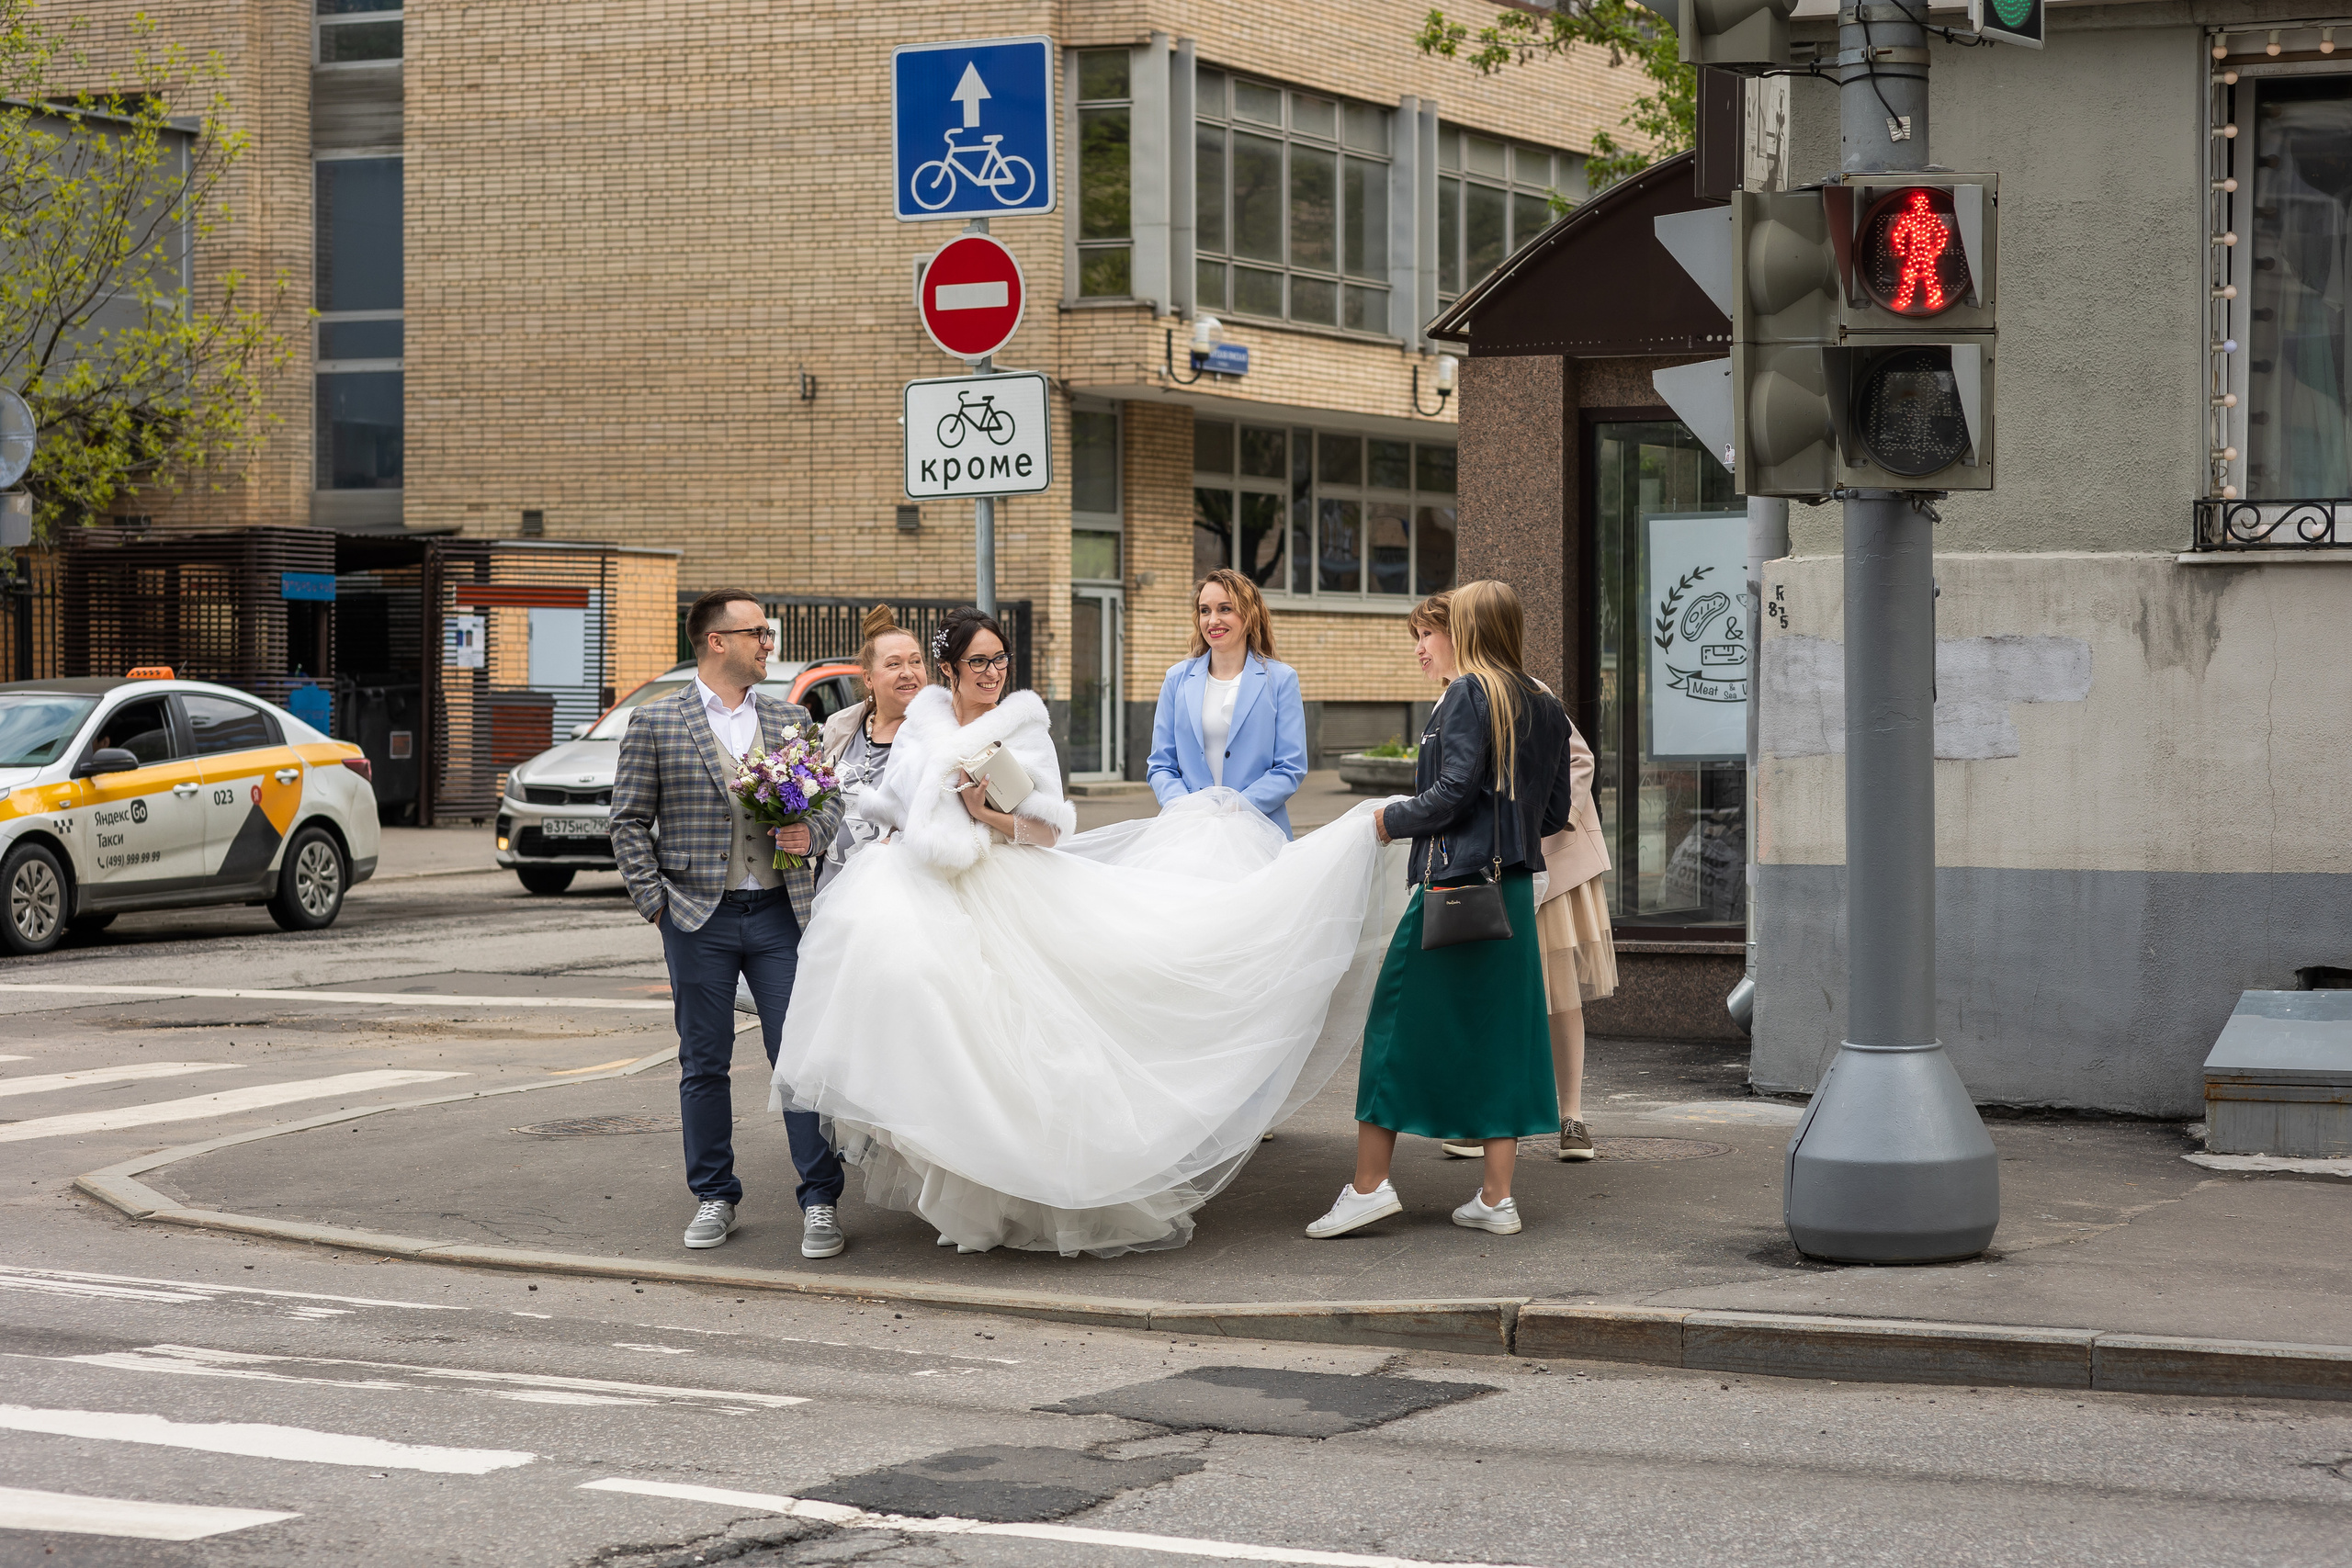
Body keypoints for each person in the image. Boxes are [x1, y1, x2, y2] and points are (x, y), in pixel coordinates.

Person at [772, 605, 1406, 1257]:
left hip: (1010, 888)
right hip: (929, 889)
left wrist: (983, 811)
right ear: (950, 670)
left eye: (999, 659)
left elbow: (1049, 830)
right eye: (978, 662)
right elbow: (901, 805)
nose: (992, 672)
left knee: (1022, 1045)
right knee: (946, 1034)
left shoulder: (1024, 728)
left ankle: (1031, 1187)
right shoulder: (921, 727)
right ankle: (969, 1189)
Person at [1306, 580, 1574, 1242]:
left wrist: (1384, 819)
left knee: (1392, 1028)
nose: (1423, 644)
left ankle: (1369, 1188)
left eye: (1431, 631)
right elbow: (1555, 812)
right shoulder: (1543, 701)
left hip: (1453, 889)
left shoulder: (1467, 693)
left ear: (1469, 629)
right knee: (1502, 1039)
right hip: (1512, 891)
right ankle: (1496, 1198)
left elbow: (1452, 793)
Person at [610, 588, 849, 1260]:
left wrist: (813, 831)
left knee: (799, 1059)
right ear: (717, 641)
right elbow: (627, 821)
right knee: (704, 1062)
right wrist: (654, 902)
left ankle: (822, 1199)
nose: (767, 643)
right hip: (695, 916)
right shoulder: (657, 724)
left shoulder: (790, 718)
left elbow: (832, 807)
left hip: (780, 914)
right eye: (758, 633)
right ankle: (715, 1193)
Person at [1146, 569, 1309, 837]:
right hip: (1187, 831)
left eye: (1225, 609)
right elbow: (1161, 765)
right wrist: (1185, 807)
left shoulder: (1280, 680)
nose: (1213, 620)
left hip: (1258, 831)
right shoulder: (1177, 679)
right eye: (1204, 610)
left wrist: (1238, 807)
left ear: (1249, 615)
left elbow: (1290, 768)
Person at [815, 603, 927, 886]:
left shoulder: (937, 735)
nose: (908, 672)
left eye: (916, 661)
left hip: (898, 894)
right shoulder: (840, 726)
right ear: (868, 678)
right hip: (830, 894)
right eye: (893, 664)